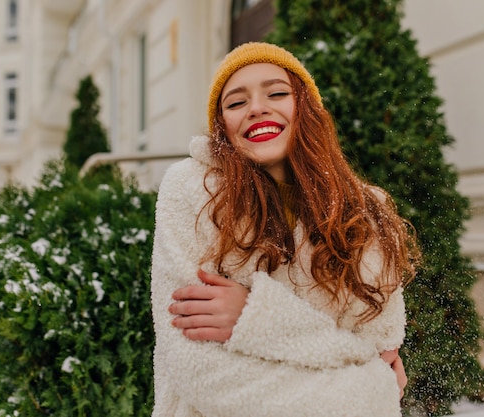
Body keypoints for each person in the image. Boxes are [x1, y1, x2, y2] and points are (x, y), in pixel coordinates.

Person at [150, 42, 420, 417]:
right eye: (235, 102)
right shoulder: (193, 192)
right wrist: (363, 383)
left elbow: (382, 357)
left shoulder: (364, 211)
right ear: (221, 127)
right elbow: (198, 370)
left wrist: (253, 316)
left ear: (306, 108)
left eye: (276, 93)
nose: (257, 107)